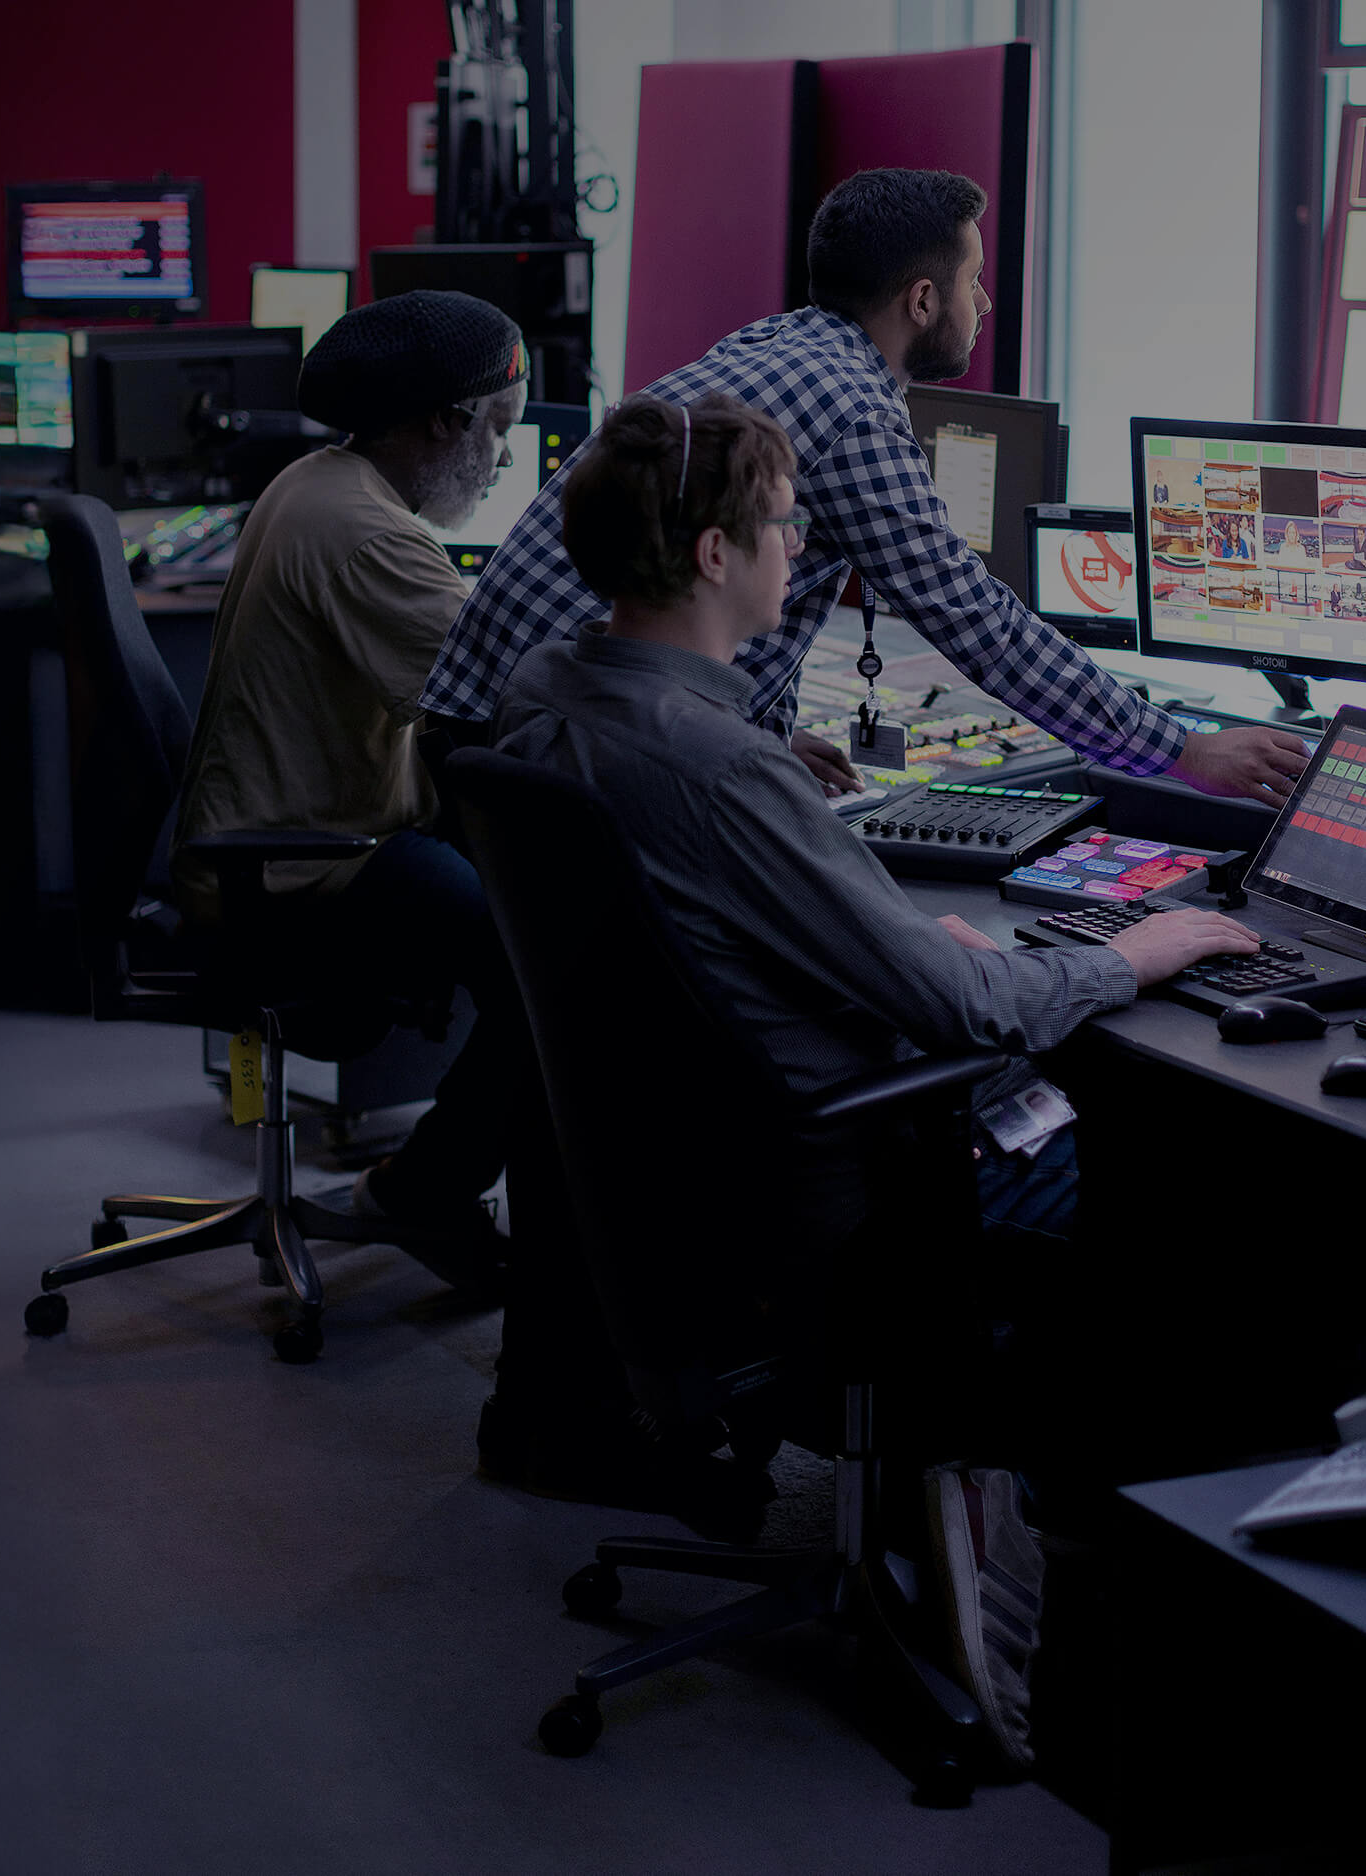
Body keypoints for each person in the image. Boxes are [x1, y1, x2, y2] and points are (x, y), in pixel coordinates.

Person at [493, 392, 1266, 1769]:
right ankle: (1056, 1544)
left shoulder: (549, 690)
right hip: (831, 1196)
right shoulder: (720, 768)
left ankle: (969, 1484)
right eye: (786, 524)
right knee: (1199, 1164)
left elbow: (707, 940)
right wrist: (1135, 952)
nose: (803, 549)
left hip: (683, 1177)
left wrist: (891, 943)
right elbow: (972, 1006)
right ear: (716, 555)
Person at [422, 166, 1310, 811]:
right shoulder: (852, 408)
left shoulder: (779, 342)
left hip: (498, 724)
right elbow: (977, 621)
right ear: (922, 301)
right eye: (972, 282)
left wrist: (762, 738)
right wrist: (1183, 750)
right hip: (564, 750)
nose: (984, 303)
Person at [171, 288, 529, 1239]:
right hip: (300, 874)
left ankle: (436, 1182)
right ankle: (426, 1194)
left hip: (286, 843)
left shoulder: (320, 481)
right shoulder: (367, 534)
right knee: (552, 965)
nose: (502, 459)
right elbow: (513, 689)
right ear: (444, 420)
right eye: (498, 429)